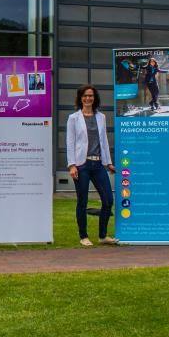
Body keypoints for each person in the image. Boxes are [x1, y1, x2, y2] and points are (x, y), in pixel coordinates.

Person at [66, 85, 117, 246]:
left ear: (95, 98)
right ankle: (83, 236)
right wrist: (71, 165)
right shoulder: (73, 118)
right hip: (82, 165)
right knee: (83, 201)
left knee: (108, 200)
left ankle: (102, 236)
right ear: (80, 98)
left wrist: (108, 162)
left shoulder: (101, 117)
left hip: (98, 164)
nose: (88, 98)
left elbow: (104, 140)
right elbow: (70, 142)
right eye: (85, 96)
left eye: (91, 96)